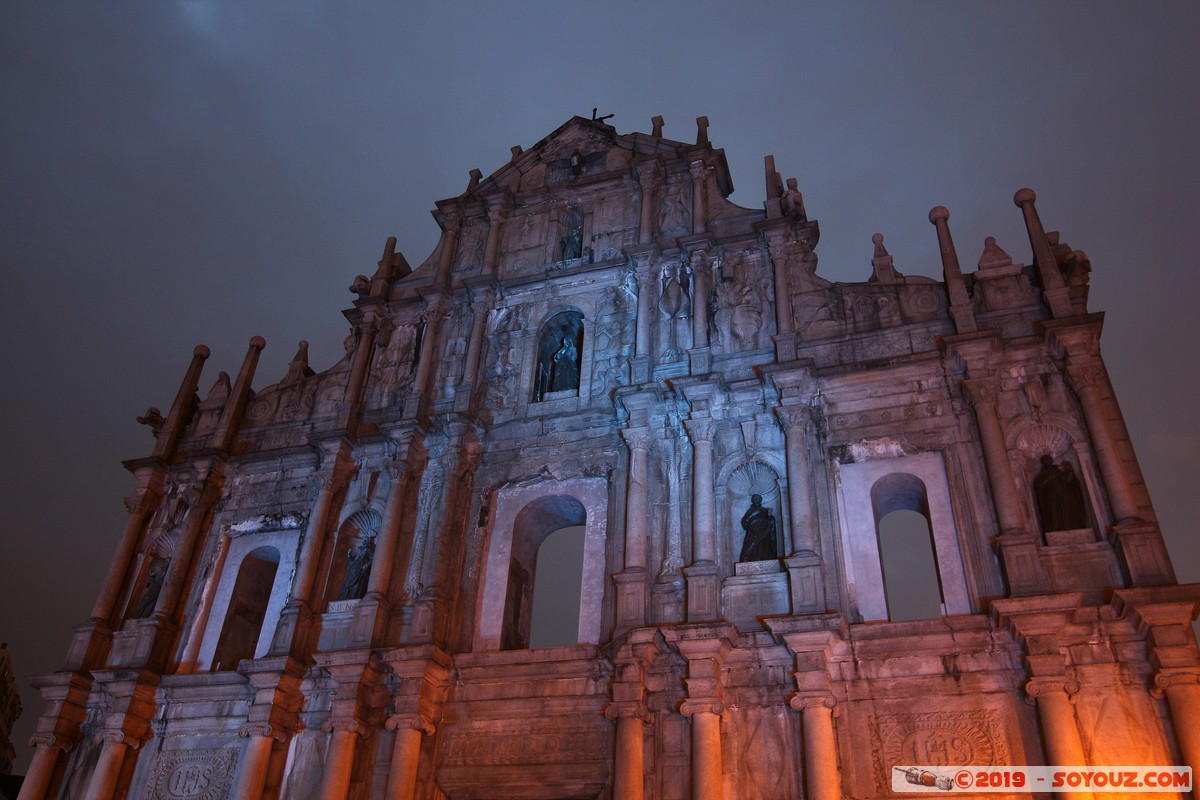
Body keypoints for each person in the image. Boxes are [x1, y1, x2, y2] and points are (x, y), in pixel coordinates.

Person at [739, 494, 778, 562]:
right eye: (754, 498)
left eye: (758, 498)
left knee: (763, 549)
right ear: (752, 500)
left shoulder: (765, 510)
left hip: (764, 534)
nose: (756, 499)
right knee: (749, 549)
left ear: (761, 499)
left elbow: (770, 523)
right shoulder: (750, 510)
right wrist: (753, 514)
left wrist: (770, 517)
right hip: (752, 534)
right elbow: (745, 523)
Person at [337, 536, 375, 601]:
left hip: (360, 569)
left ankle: (353, 597)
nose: (363, 541)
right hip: (353, 569)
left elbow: (373, 558)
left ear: (367, 542)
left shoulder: (367, 550)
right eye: (363, 540)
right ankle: (346, 597)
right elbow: (353, 561)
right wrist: (349, 555)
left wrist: (366, 565)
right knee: (348, 583)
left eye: (365, 540)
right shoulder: (359, 550)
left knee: (357, 584)